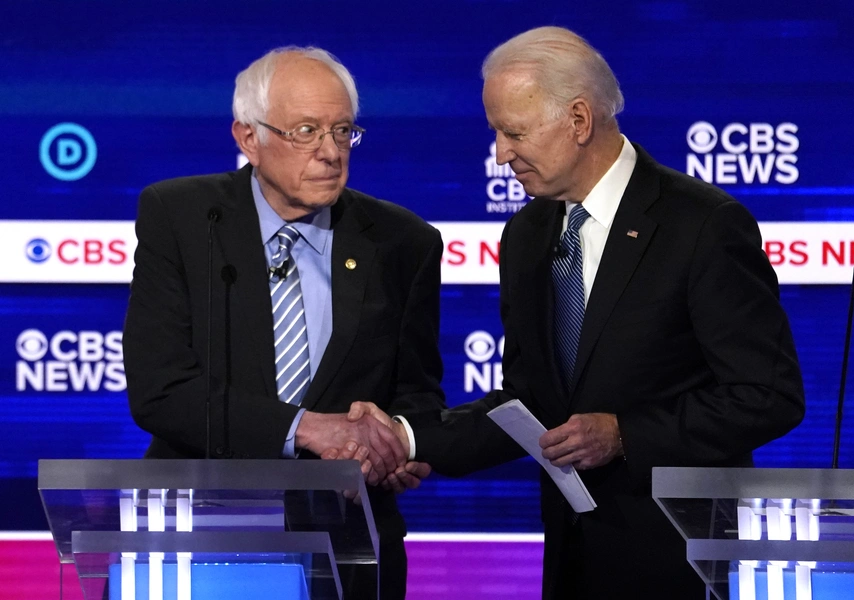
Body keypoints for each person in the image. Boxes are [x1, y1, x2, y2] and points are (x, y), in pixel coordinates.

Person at [349, 26, 805, 599]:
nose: (500, 153)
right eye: (496, 132)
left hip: (681, 563)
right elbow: (527, 405)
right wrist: (405, 438)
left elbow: (769, 395)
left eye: (513, 132)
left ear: (580, 121)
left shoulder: (701, 227)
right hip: (572, 558)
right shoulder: (527, 234)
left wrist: (625, 435)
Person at [123, 46, 444, 600]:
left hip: (346, 543)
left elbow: (416, 392)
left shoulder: (402, 242)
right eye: (305, 131)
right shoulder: (182, 217)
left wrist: (395, 446)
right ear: (248, 137)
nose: (330, 153)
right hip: (200, 535)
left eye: (343, 131)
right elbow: (161, 390)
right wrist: (307, 429)